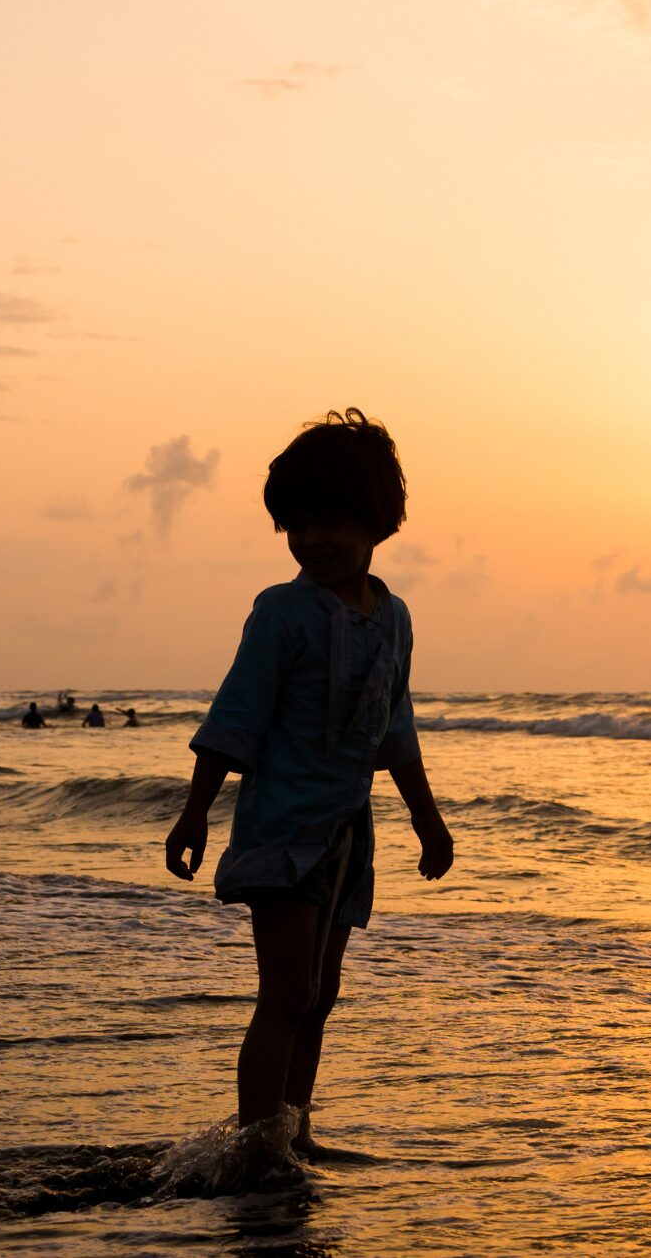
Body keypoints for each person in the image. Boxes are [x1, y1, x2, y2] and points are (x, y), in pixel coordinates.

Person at [165, 407, 453, 1166]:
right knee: (286, 994)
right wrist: (194, 813)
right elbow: (236, 716)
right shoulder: (281, 612)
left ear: (377, 523)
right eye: (299, 522)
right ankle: (258, 1143)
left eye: (333, 520)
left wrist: (429, 821)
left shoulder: (393, 619)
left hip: (345, 835)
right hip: (281, 829)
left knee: (320, 997)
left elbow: (396, 728)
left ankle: (295, 1130)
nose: (315, 538)